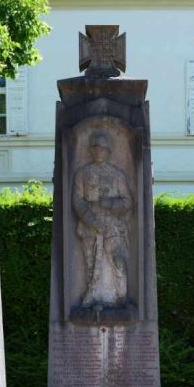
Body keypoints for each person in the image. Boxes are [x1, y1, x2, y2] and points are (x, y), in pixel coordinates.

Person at [72, 132, 133, 309]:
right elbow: (77, 201)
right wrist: (91, 220)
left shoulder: (117, 175)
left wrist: (111, 203)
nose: (99, 151)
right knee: (91, 263)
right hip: (89, 225)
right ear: (91, 150)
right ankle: (94, 298)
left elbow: (128, 201)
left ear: (108, 151)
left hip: (113, 225)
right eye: (95, 147)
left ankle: (121, 297)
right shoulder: (82, 173)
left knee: (118, 260)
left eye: (103, 148)